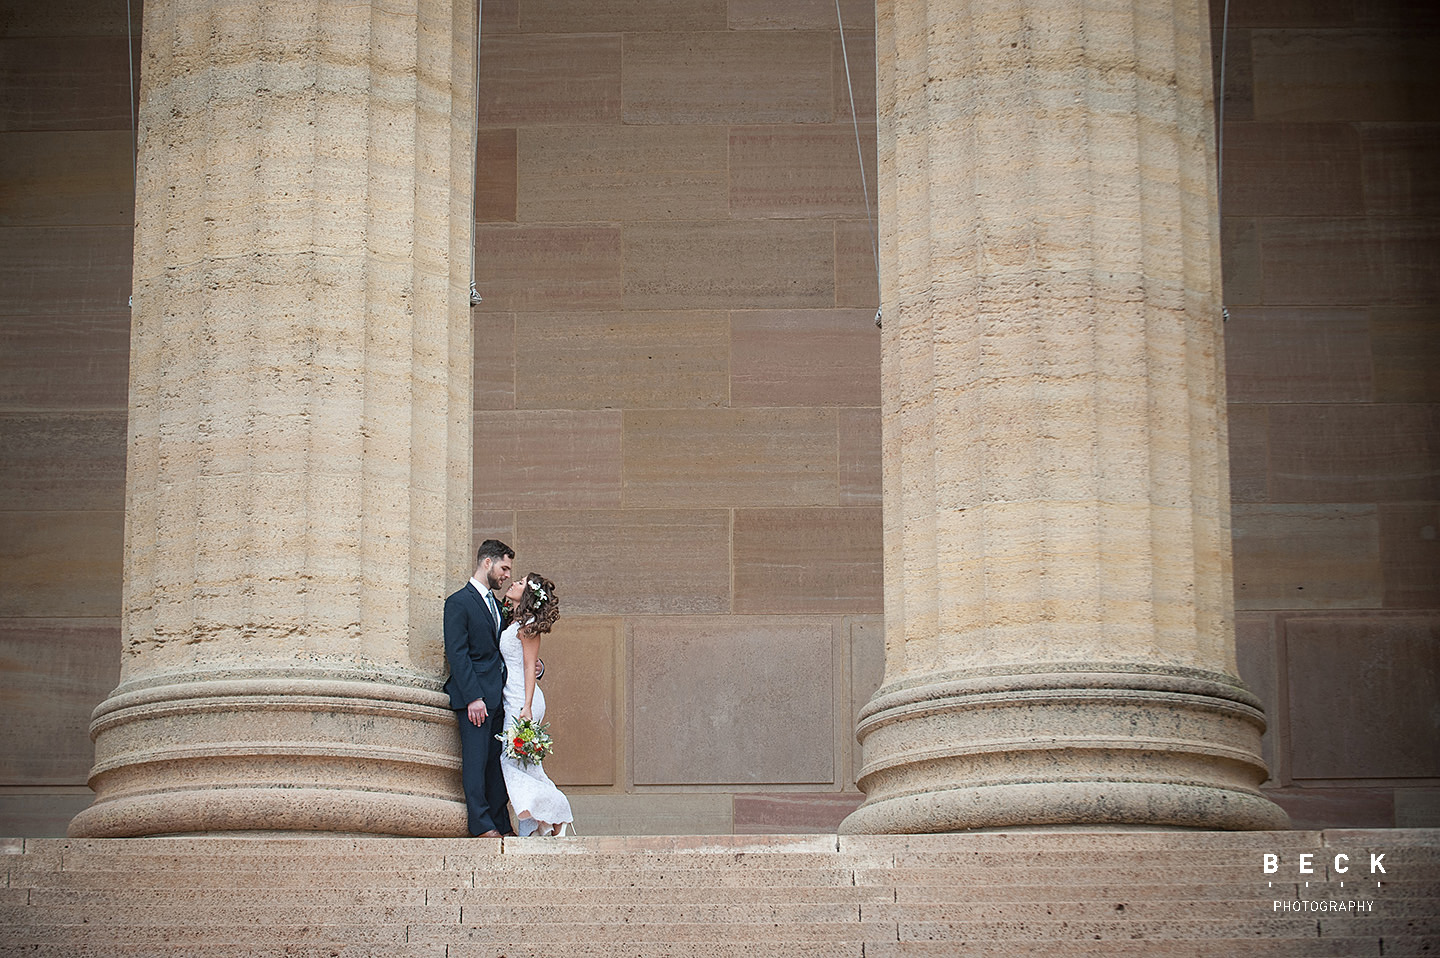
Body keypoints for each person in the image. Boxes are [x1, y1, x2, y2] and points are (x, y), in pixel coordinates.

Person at [443, 539, 515, 837]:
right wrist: (473, 696)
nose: (507, 575)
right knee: (474, 761)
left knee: (494, 764)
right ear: (488, 562)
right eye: (504, 567)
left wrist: (536, 667)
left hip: (499, 697)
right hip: (474, 698)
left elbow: (506, 649)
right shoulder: (458, 602)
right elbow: (457, 653)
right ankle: (481, 824)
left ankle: (500, 822)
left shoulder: (498, 607)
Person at [497, 572, 573, 837]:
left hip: (523, 699)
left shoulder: (528, 626)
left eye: (520, 582)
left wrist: (527, 706)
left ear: (527, 593)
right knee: (524, 764)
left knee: (511, 760)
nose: (513, 583)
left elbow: (530, 666)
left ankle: (556, 810)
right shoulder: (515, 623)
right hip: (513, 696)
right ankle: (543, 822)